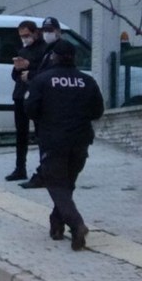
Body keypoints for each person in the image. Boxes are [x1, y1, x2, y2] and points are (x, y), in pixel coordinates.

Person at [25, 39, 104, 250]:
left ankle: (77, 224)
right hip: (80, 141)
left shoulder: (42, 80)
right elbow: (97, 111)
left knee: (56, 184)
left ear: (54, 57)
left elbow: (30, 109)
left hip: (53, 140)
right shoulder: (88, 81)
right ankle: (57, 224)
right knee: (67, 184)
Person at [21, 16, 63, 189]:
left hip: (52, 102)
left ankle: (47, 174)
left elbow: (50, 74)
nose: (47, 34)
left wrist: (31, 75)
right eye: (45, 30)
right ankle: (47, 172)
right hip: (45, 102)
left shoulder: (59, 50)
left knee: (49, 141)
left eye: (50, 30)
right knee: (44, 140)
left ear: (58, 31)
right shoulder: (48, 49)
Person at [6, 20, 46, 182]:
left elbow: (46, 72)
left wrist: (31, 68)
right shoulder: (23, 50)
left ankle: (44, 168)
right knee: (20, 134)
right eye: (22, 36)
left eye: (27, 35)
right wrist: (18, 69)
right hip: (21, 95)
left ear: (35, 33)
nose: (24, 39)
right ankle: (20, 168)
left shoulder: (44, 50)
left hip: (37, 96)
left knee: (41, 134)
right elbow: (14, 76)